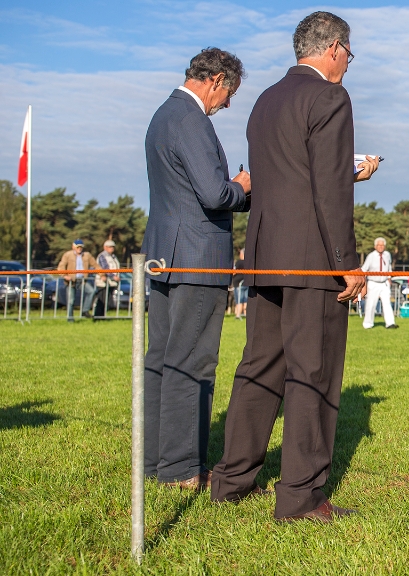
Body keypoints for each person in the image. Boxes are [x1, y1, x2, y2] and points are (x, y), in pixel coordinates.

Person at [212, 11, 378, 523]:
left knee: (259, 367)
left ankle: (232, 480)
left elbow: (288, 177)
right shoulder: (330, 97)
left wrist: (347, 175)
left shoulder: (265, 100)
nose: (348, 64)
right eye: (349, 55)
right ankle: (301, 496)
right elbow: (328, 192)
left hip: (265, 256)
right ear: (334, 49)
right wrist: (347, 264)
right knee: (314, 373)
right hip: (312, 261)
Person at [142, 47, 251, 490]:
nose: (228, 104)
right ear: (217, 80)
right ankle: (183, 468)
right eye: (230, 94)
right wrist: (242, 187)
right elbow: (214, 194)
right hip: (197, 258)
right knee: (193, 361)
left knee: (161, 359)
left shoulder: (163, 114)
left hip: (165, 256)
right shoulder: (192, 120)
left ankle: (156, 461)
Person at [361, 237, 398, 329]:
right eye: (379, 245)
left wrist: (389, 278)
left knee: (387, 303)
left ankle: (390, 323)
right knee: (371, 304)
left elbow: (389, 267)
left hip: (384, 283)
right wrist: (362, 282)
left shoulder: (387, 255)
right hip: (373, 283)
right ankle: (368, 324)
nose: (381, 247)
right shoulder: (371, 256)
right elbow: (364, 269)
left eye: (382, 245)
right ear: (375, 246)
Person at [57, 239, 98, 321]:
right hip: (71, 281)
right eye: (77, 247)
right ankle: (70, 319)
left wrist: (103, 274)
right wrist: (65, 276)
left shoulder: (87, 255)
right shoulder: (67, 255)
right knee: (71, 301)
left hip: (82, 280)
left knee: (91, 291)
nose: (79, 248)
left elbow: (96, 265)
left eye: (81, 247)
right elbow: (61, 266)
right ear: (73, 247)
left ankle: (85, 311)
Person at [94, 240, 120, 318]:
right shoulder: (102, 256)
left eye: (113, 247)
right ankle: (98, 317)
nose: (112, 248)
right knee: (101, 301)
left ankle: (102, 317)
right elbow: (105, 268)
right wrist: (113, 276)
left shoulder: (114, 256)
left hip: (111, 283)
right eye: (110, 247)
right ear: (105, 247)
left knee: (106, 301)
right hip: (103, 282)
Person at [232, 248, 247, 320]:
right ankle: (245, 313)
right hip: (246, 283)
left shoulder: (239, 262)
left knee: (239, 300)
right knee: (245, 299)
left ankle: (238, 315)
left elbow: (234, 272)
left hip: (239, 284)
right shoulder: (248, 262)